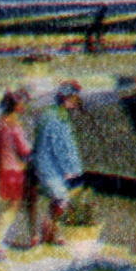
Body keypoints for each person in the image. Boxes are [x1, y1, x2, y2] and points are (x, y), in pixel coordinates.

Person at [31, 81, 86, 246]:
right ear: (67, 98)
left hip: (50, 165)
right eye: (74, 98)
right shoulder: (56, 117)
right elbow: (60, 147)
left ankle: (50, 234)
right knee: (61, 199)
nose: (76, 101)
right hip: (51, 167)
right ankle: (49, 234)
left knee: (58, 200)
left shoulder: (55, 114)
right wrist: (70, 169)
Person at [0, 89, 36, 259]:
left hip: (4, 170)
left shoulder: (2, 123)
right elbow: (24, 149)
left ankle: (0, 241)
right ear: (17, 106)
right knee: (13, 208)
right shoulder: (15, 126)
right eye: (22, 104)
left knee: (11, 207)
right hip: (15, 171)